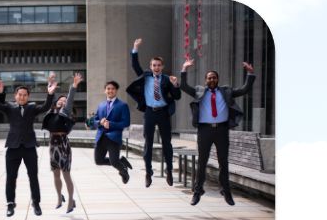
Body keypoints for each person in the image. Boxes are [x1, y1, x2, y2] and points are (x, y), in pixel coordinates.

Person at [179, 58, 255, 206]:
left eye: (214, 77)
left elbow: (244, 89)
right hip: (204, 130)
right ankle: (197, 191)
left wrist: (250, 74)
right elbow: (183, 86)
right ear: (205, 80)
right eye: (209, 78)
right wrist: (184, 69)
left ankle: (226, 191)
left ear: (218, 79)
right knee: (202, 162)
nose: (212, 79)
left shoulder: (226, 91)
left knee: (223, 162)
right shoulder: (199, 91)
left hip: (221, 130)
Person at [0, 77, 58, 216]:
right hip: (13, 147)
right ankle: (10, 204)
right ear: (15, 96)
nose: (22, 97)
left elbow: (45, 107)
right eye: (20, 94)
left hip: (29, 147)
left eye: (25, 95)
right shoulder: (9, 107)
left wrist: (50, 94)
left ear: (28, 97)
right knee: (11, 177)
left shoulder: (32, 107)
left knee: (33, 176)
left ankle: (36, 203)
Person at [128, 38, 182, 187]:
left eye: (158, 65)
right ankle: (148, 172)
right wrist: (135, 48)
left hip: (164, 113)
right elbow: (135, 65)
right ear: (150, 66)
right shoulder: (145, 77)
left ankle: (169, 171)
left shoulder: (167, 79)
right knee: (148, 144)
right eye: (154, 65)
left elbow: (177, 96)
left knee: (167, 144)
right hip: (150, 113)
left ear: (162, 66)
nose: (156, 67)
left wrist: (176, 85)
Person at [43, 73, 82, 213]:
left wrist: (74, 85)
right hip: (53, 145)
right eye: (60, 99)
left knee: (66, 174)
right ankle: (60, 197)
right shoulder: (52, 111)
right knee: (56, 174)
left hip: (63, 145)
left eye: (65, 100)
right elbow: (51, 95)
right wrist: (50, 83)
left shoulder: (65, 112)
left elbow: (70, 99)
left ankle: (71, 200)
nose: (62, 101)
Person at [88, 79, 132, 184]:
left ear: (116, 91)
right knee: (98, 161)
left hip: (114, 137)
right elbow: (94, 121)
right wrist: (99, 122)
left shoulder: (122, 105)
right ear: (105, 91)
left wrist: (111, 124)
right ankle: (121, 161)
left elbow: (126, 123)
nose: (110, 91)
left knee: (114, 162)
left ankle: (123, 170)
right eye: (108, 89)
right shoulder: (101, 105)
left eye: (112, 89)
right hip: (101, 137)